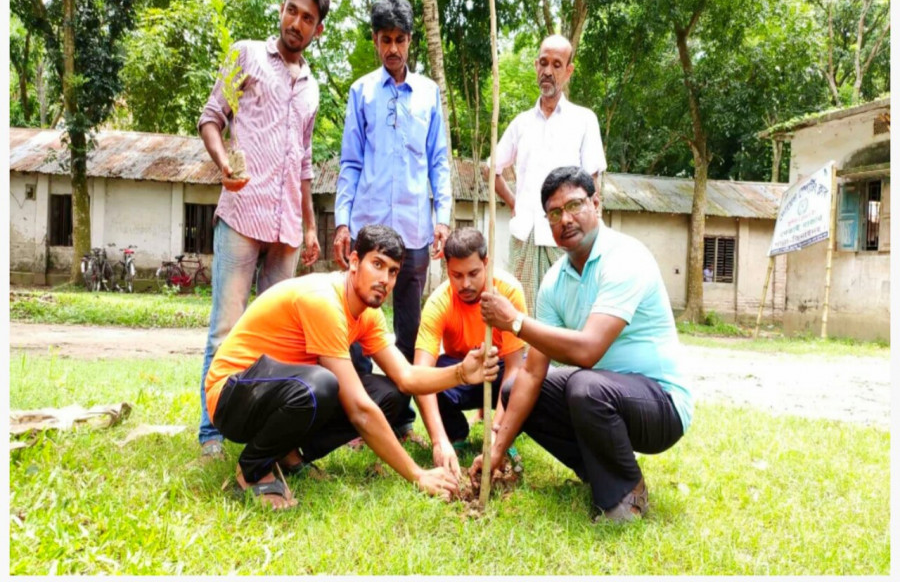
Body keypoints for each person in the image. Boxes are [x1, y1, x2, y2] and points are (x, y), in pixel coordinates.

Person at [205, 225, 499, 510]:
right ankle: (253, 470)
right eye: (377, 265)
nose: (384, 279)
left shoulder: (368, 314)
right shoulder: (323, 300)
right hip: (233, 393)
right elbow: (359, 408)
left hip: (278, 391)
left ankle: (287, 454)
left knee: (392, 395)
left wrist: (461, 372)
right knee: (323, 385)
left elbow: (407, 377)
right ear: (355, 261)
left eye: (393, 271)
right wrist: (417, 474)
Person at [476, 166, 693, 522]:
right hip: (606, 396)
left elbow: (588, 351)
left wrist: (515, 321)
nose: (565, 219)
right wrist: (496, 450)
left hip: (661, 404)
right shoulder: (554, 282)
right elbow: (532, 373)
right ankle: (599, 473)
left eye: (575, 205)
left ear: (596, 204)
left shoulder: (625, 257)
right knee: (516, 388)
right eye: (554, 213)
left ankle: (627, 494)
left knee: (585, 386)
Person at [195, 0, 330, 461]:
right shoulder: (246, 56)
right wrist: (223, 164)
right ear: (281, 10)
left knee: (279, 339)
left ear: (317, 29)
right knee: (227, 329)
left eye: (307, 18)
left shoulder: (312, 87)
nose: (296, 22)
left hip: (287, 228)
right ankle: (211, 433)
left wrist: (310, 227)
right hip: (242, 211)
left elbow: (304, 162)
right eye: (292, 11)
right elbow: (211, 118)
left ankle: (266, 435)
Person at [333, 0, 452, 436]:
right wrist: (342, 221)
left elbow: (439, 161)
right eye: (385, 40)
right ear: (375, 40)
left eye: (400, 40)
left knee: (409, 328)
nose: (393, 49)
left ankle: (401, 420)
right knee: (357, 323)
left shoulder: (429, 94)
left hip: (415, 231)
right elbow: (350, 162)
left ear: (410, 41)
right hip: (367, 231)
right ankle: (357, 417)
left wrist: (443, 217)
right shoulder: (361, 92)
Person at [493, 34, 606, 316]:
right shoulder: (521, 123)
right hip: (525, 236)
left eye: (557, 65)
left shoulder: (584, 120)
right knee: (520, 315)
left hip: (568, 236)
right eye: (543, 63)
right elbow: (491, 169)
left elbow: (593, 183)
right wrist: (514, 203)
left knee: (569, 313)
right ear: (536, 66)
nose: (548, 71)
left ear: (569, 71)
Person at [413, 228, 527, 477]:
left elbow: (515, 366)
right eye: (457, 275)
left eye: (473, 273)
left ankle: (506, 434)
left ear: (486, 263)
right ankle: (455, 435)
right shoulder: (438, 302)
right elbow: (419, 376)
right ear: (447, 270)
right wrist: (438, 440)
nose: (465, 284)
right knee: (433, 374)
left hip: (501, 372)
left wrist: (497, 434)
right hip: (462, 373)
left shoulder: (508, 291)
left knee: (526, 379)